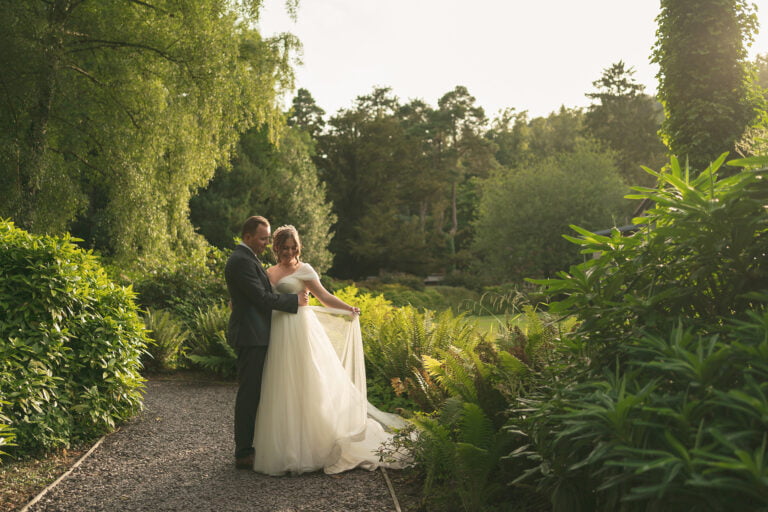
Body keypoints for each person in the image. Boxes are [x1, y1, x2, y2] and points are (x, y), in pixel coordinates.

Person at [252, 225, 408, 475]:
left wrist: (348, 308)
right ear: (276, 247)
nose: (289, 252)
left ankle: (314, 447)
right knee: (281, 386)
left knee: (308, 384)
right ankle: (284, 449)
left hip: (301, 331)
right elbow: (263, 300)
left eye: (293, 247)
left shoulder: (304, 270)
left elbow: (324, 297)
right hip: (278, 332)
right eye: (284, 247)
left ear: (298, 247)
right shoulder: (268, 272)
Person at [225, 216, 306, 470]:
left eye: (267, 238)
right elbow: (261, 298)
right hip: (251, 336)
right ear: (247, 236)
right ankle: (243, 452)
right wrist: (295, 301)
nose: (266, 243)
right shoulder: (240, 261)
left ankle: (253, 447)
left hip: (257, 334)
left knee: (257, 392)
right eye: (262, 238)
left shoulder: (249, 259)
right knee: (249, 394)